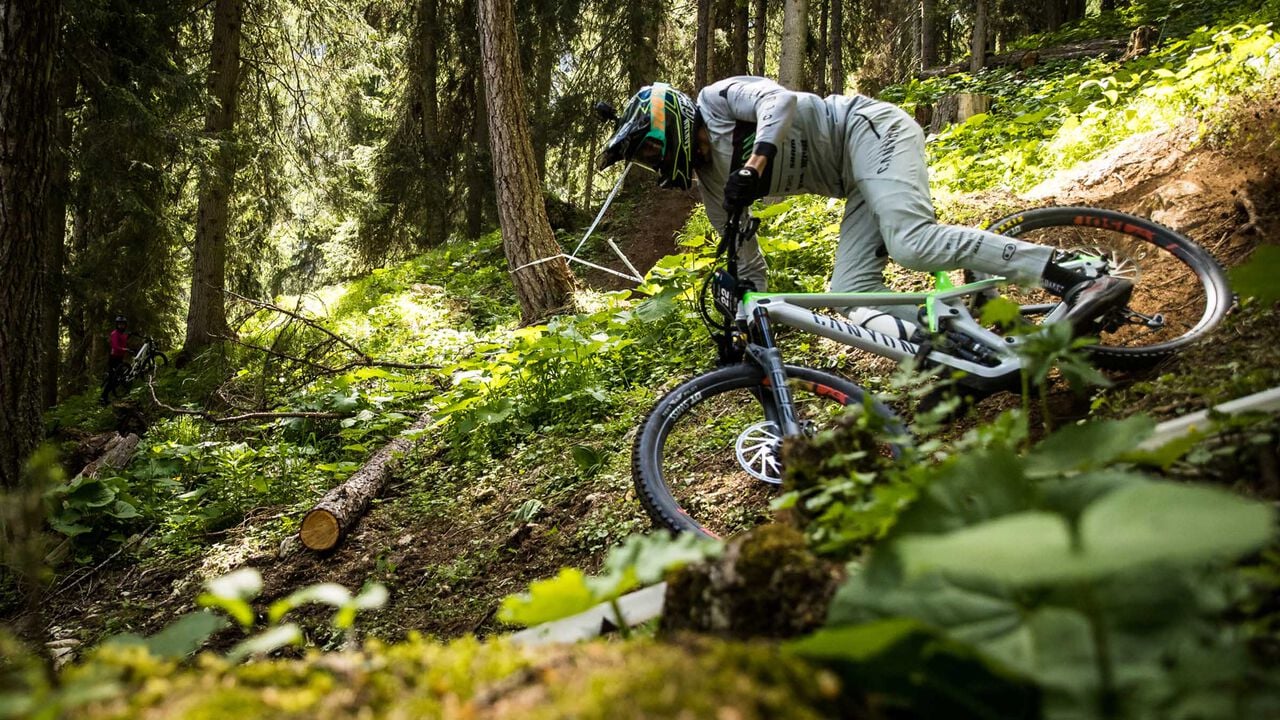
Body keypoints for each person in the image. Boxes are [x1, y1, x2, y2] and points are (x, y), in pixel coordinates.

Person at [597, 77, 1133, 335]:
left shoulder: (717, 100)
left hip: (869, 130)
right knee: (851, 296)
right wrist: (745, 309)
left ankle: (1071, 272)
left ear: (666, 123)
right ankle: (950, 337)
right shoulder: (714, 189)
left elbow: (779, 100)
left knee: (912, 243)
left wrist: (755, 163)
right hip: (856, 184)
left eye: (647, 148)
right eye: (642, 157)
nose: (649, 161)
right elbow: (746, 260)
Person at [100, 315, 130, 405]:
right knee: (113, 379)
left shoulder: (122, 334)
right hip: (114, 359)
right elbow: (115, 346)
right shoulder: (114, 334)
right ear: (117, 325)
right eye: (120, 325)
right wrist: (125, 349)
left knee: (118, 378)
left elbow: (124, 339)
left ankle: (120, 393)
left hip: (120, 358)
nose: (121, 326)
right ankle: (103, 397)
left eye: (123, 325)